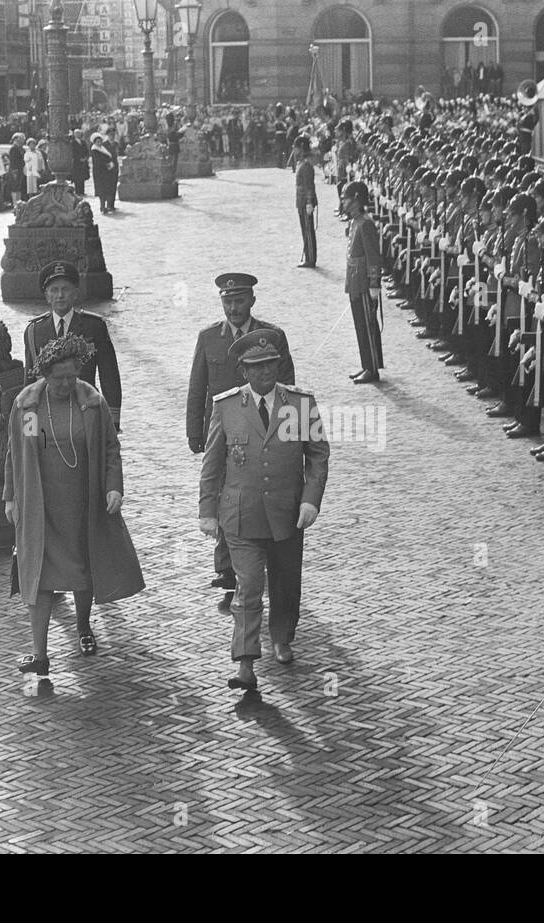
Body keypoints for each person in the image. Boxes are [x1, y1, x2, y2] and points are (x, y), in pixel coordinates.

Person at [4, 335, 144, 679]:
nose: (65, 384)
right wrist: (10, 496)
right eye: (58, 378)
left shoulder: (92, 405)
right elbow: (15, 452)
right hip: (40, 506)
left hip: (83, 503)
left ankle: (83, 628)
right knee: (38, 577)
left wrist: (114, 487)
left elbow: (111, 449)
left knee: (84, 568)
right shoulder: (29, 407)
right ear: (45, 375)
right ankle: (39, 654)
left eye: (71, 376)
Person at [198, 330, 330, 692]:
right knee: (251, 584)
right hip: (241, 515)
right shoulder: (226, 407)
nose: (265, 373)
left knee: (286, 584)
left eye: (270, 365)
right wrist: (206, 510)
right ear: (243, 371)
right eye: (256, 368)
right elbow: (212, 463)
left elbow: (317, 454)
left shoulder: (300, 404)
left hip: (287, 513)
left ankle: (283, 636)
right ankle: (244, 664)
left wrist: (310, 500)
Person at [187, 273, 296, 612]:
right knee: (223, 494)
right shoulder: (208, 338)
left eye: (239, 300)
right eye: (227, 301)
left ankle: (251, 564)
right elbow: (197, 387)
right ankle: (228, 570)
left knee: (254, 495)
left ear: (252, 301)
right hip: (223, 432)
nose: (233, 308)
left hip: (262, 432)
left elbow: (288, 386)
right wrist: (195, 431)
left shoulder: (272, 337)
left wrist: (284, 433)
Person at [23, 262, 123, 431]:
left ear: (75, 293)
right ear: (46, 296)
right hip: (47, 416)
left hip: (85, 410)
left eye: (65, 289)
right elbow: (30, 383)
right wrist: (29, 428)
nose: (60, 295)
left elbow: (109, 375)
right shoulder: (34, 331)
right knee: (48, 453)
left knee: (85, 456)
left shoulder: (94, 327)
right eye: (54, 290)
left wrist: (113, 420)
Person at [342, 180, 384, 384]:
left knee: (367, 325)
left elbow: (373, 256)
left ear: (356, 199)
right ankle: (366, 364)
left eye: (346, 197)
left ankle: (373, 368)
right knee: (360, 325)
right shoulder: (355, 221)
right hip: (354, 280)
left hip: (365, 282)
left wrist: (375, 282)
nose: (344, 201)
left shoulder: (366, 223)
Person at [294, 136, 319, 268]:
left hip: (305, 201)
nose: (294, 150)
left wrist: (309, 202)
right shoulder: (302, 163)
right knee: (305, 230)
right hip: (301, 200)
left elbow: (309, 186)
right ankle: (309, 255)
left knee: (308, 231)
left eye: (296, 148)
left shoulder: (306, 166)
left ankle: (311, 258)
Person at [90, 133, 118, 214]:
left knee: (107, 189)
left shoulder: (103, 148)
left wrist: (110, 164)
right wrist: (108, 164)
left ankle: (108, 206)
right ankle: (102, 207)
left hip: (106, 172)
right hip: (99, 172)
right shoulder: (94, 150)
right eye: (97, 141)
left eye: (100, 141)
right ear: (94, 142)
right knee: (101, 191)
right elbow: (98, 161)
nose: (99, 143)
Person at [70, 129, 90, 197]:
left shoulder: (83, 142)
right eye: (76, 133)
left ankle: (82, 191)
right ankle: (78, 191)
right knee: (77, 177)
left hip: (83, 162)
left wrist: (85, 158)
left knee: (82, 177)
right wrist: (79, 158)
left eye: (79, 133)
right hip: (76, 162)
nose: (78, 135)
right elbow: (72, 152)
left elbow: (87, 150)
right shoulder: (72, 142)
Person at [8, 132, 26, 203]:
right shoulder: (13, 149)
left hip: (20, 169)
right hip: (15, 171)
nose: (22, 140)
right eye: (21, 138)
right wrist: (14, 171)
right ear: (16, 139)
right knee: (15, 187)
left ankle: (19, 203)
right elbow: (13, 161)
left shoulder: (21, 149)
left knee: (19, 187)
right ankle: (15, 203)